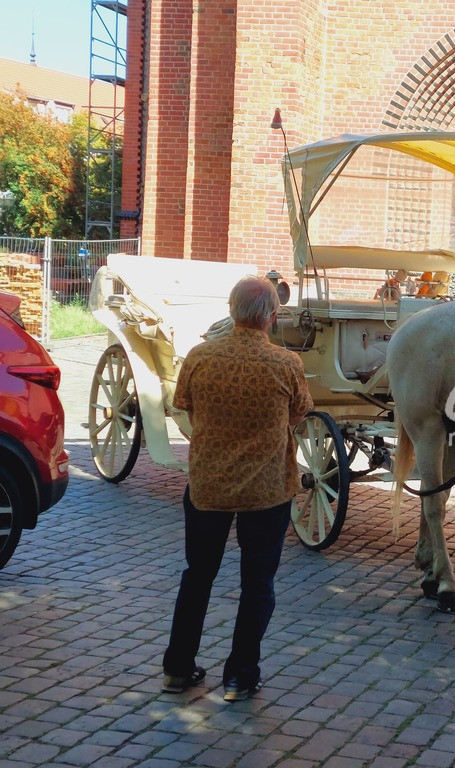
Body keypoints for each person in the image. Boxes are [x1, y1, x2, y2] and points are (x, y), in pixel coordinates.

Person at [161, 276, 313, 702]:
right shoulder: (286, 364)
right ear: (270, 316)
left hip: (208, 486)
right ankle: (240, 676)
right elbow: (300, 412)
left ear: (231, 311)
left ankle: (177, 668)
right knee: (257, 583)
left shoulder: (200, 357)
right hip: (265, 492)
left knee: (197, 577)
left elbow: (184, 403)